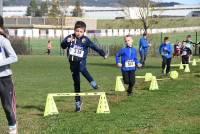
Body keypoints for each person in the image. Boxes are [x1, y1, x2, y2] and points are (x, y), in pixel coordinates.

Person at [61, 21, 107, 112]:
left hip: (81, 61)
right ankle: (78, 102)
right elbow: (62, 46)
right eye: (77, 31)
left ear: (84, 32)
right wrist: (66, 42)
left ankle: (92, 82)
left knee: (82, 68)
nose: (78, 33)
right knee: (76, 82)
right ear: (74, 30)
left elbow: (94, 47)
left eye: (80, 31)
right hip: (72, 63)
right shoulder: (70, 38)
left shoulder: (85, 40)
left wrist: (103, 53)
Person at [0, 15, 18, 134]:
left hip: (4, 79)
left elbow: (14, 57)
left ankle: (12, 129)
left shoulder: (3, 40)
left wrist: (0, 62)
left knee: (7, 107)